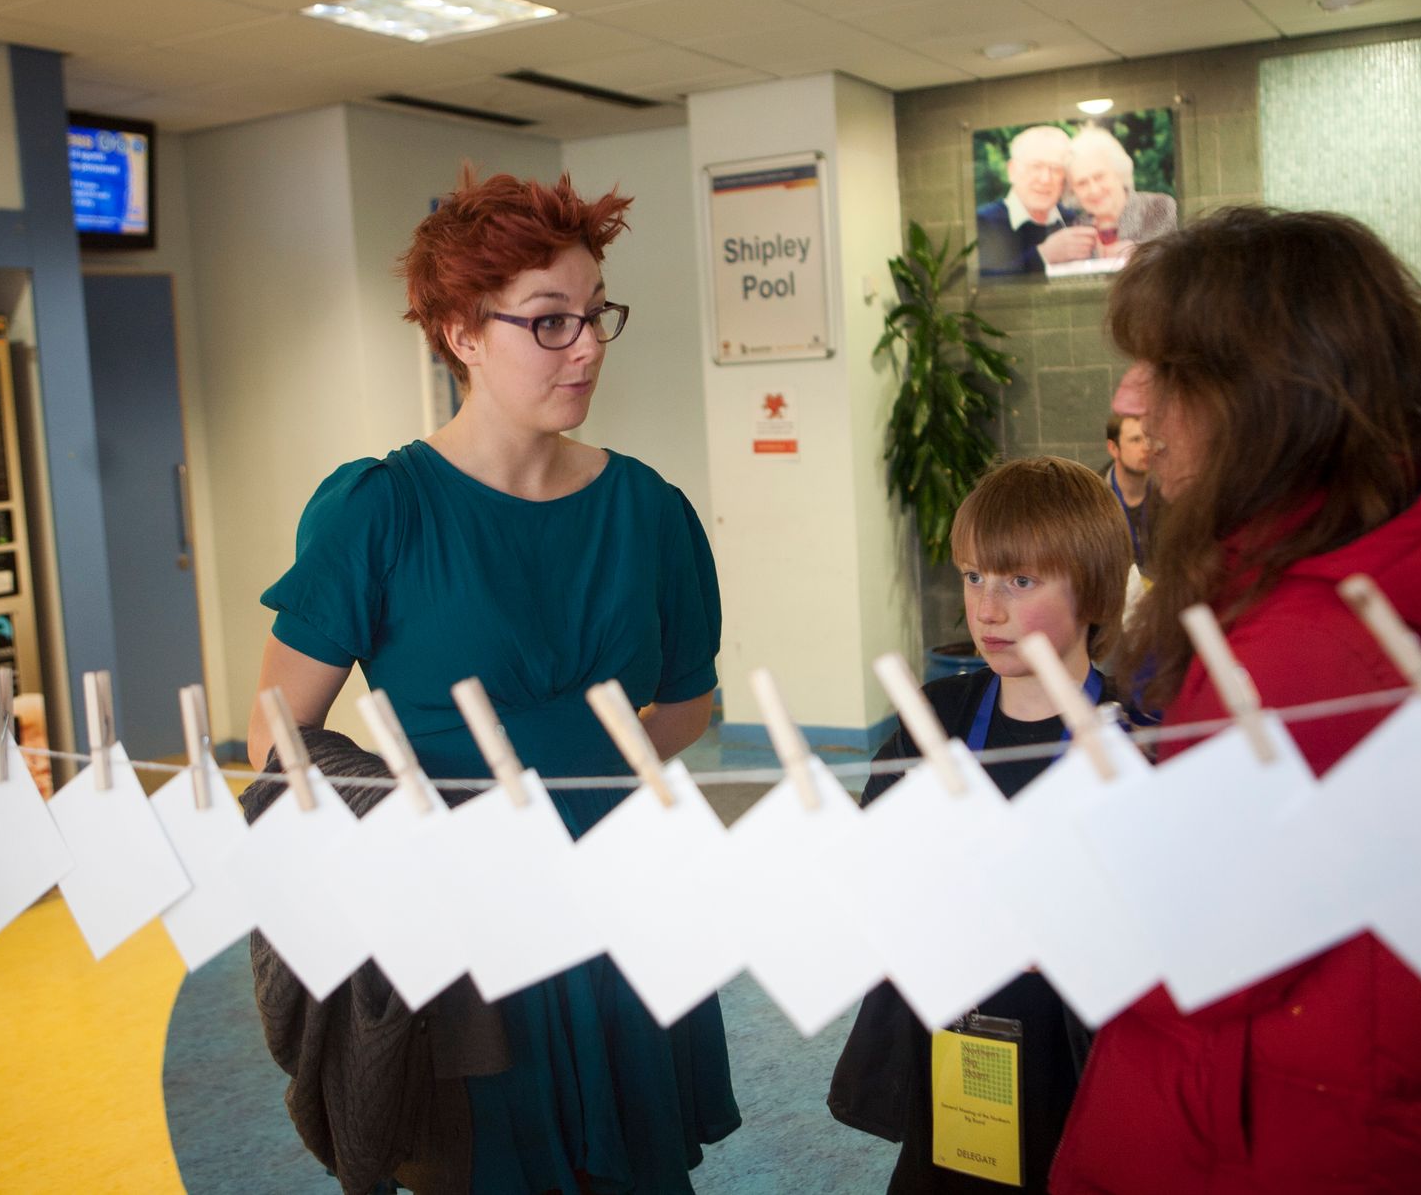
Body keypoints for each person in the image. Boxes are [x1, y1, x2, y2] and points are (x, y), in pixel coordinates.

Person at [1046, 207, 1421, 1194]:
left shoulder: (1304, 652)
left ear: (1264, 396)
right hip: (1386, 1092)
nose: (1129, 400)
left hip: (1287, 1128)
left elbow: (1200, 951)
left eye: (1165, 372)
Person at [250, 170, 739, 1194]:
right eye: (549, 322)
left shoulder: (651, 511)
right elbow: (276, 740)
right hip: (463, 915)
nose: (587, 345)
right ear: (461, 332)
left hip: (621, 896)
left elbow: (687, 703)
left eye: (595, 314)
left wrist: (590, 797)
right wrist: (427, 833)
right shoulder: (376, 510)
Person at [830, 456, 1132, 1194]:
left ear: (1092, 586)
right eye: (973, 577)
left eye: (1019, 582)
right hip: (953, 1043)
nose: (987, 608)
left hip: (1078, 1058)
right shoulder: (936, 717)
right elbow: (872, 864)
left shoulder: (1135, 736)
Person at [1050, 126, 1176, 266]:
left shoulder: (1159, 208)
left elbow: (1184, 261)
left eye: (1099, 177)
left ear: (1119, 173)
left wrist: (1139, 252)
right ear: (1073, 190)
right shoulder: (1077, 229)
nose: (1094, 190)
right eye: (1082, 183)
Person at [975, 126, 1075, 276]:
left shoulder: (1072, 220)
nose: (1045, 179)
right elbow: (984, 285)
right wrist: (1042, 255)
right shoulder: (983, 222)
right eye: (1036, 167)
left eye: (1056, 169)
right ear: (1012, 171)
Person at [1101, 413, 1151, 572]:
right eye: (1136, 440)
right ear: (1113, 448)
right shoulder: (1094, 498)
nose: (1147, 447)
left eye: (1150, 438)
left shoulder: (1171, 493)